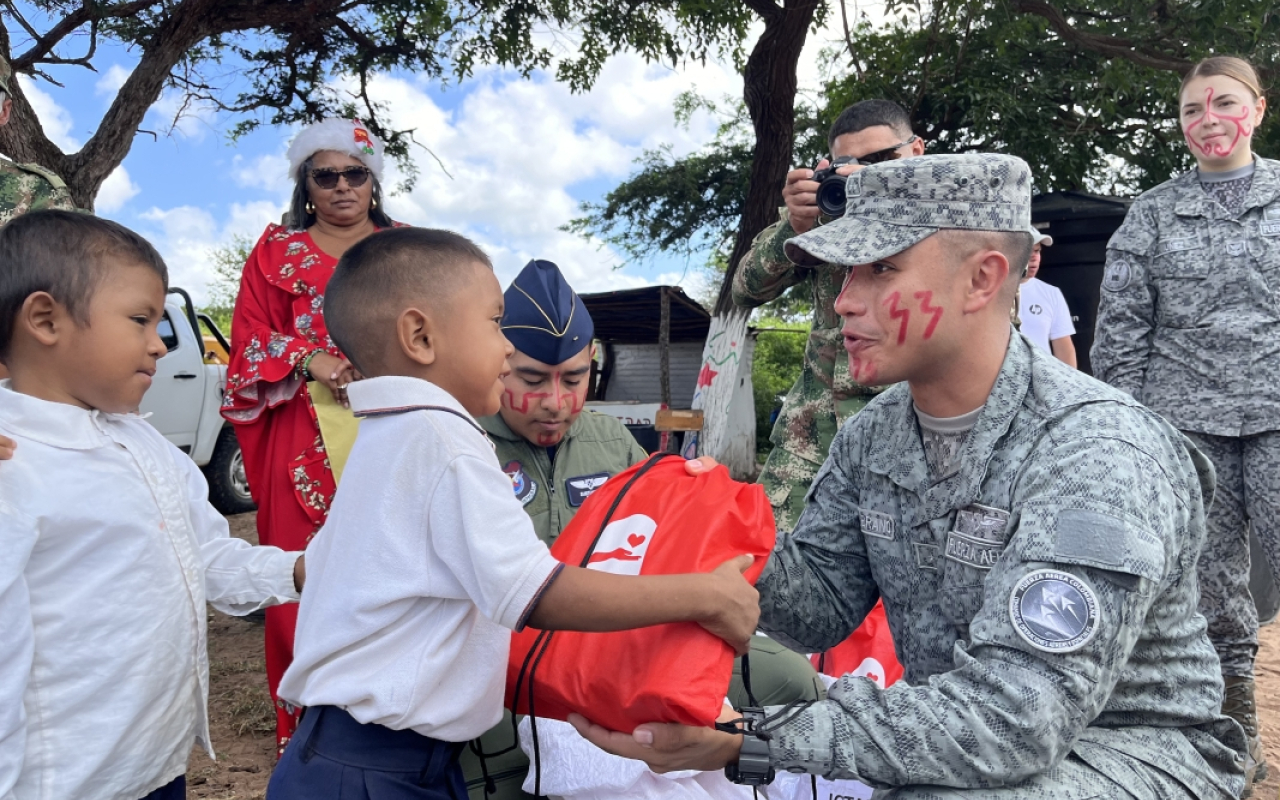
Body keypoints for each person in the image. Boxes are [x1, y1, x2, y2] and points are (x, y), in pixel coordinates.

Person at [571, 154, 1248, 799]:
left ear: (982, 280)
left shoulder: (1096, 452)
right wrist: (711, 525)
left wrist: (752, 738)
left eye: (880, 270)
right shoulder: (877, 432)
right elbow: (819, 608)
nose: (843, 302)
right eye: (845, 274)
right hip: (970, 736)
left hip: (1136, 753)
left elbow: (1014, 719)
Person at [266, 228, 759, 799]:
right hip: (378, 768)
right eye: (495, 323)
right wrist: (705, 594)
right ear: (420, 336)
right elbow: (535, 592)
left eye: (573, 377)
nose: (506, 349)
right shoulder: (446, 442)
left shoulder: (387, 434)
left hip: (372, 755)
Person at [464, 259, 821, 799]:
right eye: (532, 379)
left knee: (794, 679)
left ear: (593, 363)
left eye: (575, 378)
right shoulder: (463, 446)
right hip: (506, 652)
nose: (556, 402)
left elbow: (671, 538)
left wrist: (698, 492)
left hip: (629, 641)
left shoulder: (611, 440)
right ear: (497, 364)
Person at [0, 210, 304, 799]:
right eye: (142, 320)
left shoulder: (143, 442)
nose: (159, 346)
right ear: (44, 318)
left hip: (157, 763)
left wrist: (297, 570)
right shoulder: (12, 463)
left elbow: (205, 556)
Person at [1090, 55, 1277, 793]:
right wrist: (1126, 427)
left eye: (1224, 104)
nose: (1209, 121)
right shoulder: (1154, 213)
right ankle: (1238, 730)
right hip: (1185, 425)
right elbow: (1124, 332)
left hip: (1276, 413)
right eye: (1193, 110)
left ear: (1257, 109)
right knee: (1209, 585)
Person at [221, 117, 400, 756]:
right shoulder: (274, 255)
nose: (343, 187)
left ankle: (402, 719)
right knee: (306, 576)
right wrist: (310, 358)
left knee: (403, 562)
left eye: (356, 173)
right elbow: (246, 344)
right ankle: (308, 739)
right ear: (307, 183)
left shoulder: (408, 249)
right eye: (326, 175)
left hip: (397, 430)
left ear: (373, 180)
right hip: (304, 439)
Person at [732, 99, 926, 531]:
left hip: (915, 437)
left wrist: (893, 205)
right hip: (813, 435)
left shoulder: (953, 217)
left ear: (917, 152)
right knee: (764, 560)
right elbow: (745, 289)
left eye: (880, 161)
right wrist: (794, 227)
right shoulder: (824, 216)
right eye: (850, 165)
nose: (864, 175)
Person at [1015, 231, 1076, 367]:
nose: (1034, 257)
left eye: (1037, 251)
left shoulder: (1051, 293)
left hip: (1041, 381)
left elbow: (1064, 348)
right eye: (1027, 250)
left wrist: (1067, 386)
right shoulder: (990, 291)